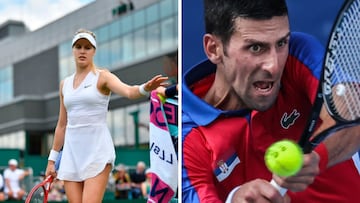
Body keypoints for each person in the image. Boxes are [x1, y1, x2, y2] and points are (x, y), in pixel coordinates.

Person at [182, 0, 360, 202]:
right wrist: (234, 199)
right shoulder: (187, 135)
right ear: (214, 49)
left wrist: (318, 159)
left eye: (281, 43)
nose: (274, 66)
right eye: (256, 47)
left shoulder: (298, 54)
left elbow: (351, 113)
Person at [45, 28, 168, 203]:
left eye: (87, 47)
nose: (82, 51)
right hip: (71, 155)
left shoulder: (103, 77)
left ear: (94, 51)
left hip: (97, 152)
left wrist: (145, 88)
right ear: (73, 50)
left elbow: (129, 91)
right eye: (78, 46)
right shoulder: (64, 84)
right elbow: (62, 125)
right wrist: (52, 161)